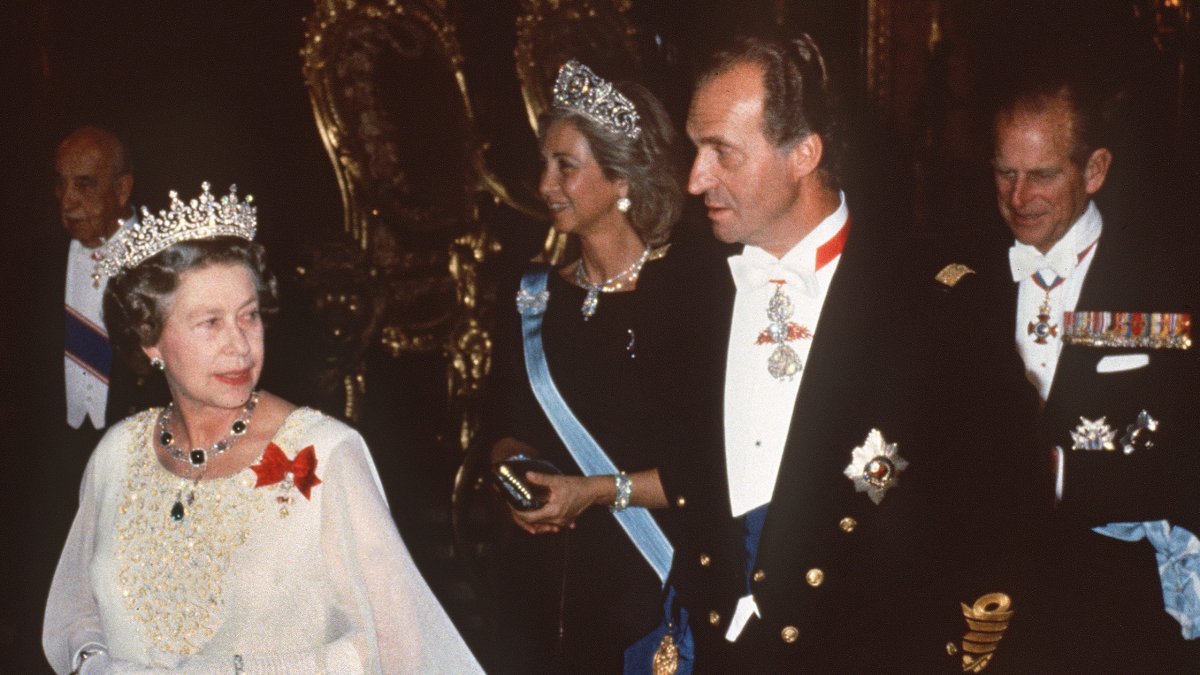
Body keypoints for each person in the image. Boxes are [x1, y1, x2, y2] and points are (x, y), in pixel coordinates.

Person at [634, 34, 1049, 672]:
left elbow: (1005, 508)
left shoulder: (936, 305)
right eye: (695, 148)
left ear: (804, 153)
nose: (695, 179)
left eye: (723, 153)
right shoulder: (683, 293)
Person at [43, 183, 483, 674]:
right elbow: (78, 610)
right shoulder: (116, 455)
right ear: (150, 340)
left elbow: (396, 644)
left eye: (248, 316)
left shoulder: (322, 454)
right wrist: (94, 664)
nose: (240, 346)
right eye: (209, 323)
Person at [983, 72, 1200, 670]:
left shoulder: (1167, 278)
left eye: (1043, 175)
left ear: (1095, 169)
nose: (1019, 196)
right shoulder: (958, 273)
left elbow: (1185, 447)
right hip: (989, 589)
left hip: (1117, 602)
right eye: (1005, 172)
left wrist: (1058, 472)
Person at [482, 60, 685, 672]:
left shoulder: (686, 298)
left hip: (653, 584)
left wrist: (593, 492)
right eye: (545, 163)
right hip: (545, 588)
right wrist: (512, 473)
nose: (545, 185)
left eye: (565, 166)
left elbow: (708, 472)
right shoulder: (529, 297)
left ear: (622, 176)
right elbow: (498, 427)